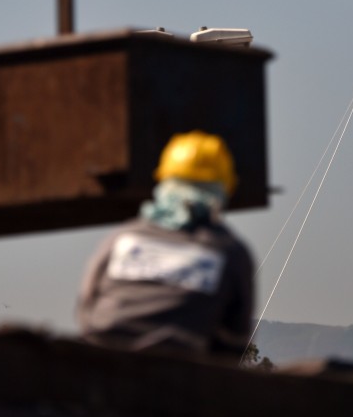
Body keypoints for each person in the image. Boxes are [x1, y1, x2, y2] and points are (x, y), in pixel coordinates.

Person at [76, 131, 255, 360]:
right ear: (223, 190)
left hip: (97, 365)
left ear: (164, 181)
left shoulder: (122, 238)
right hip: (175, 377)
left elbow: (87, 305)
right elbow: (234, 340)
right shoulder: (229, 252)